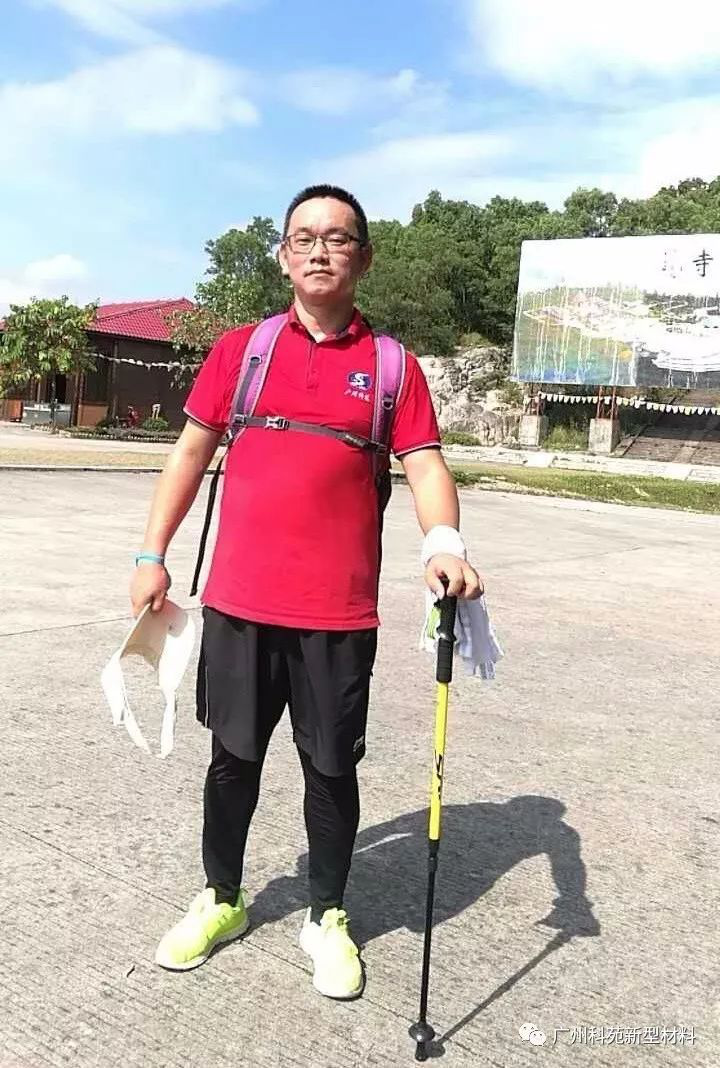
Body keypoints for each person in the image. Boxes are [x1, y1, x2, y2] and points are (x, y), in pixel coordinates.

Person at [129, 184, 483, 999]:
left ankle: (327, 915)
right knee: (232, 761)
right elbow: (189, 452)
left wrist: (444, 543)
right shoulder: (242, 351)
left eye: (338, 237)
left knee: (330, 770)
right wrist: (152, 554)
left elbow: (426, 464)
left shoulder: (391, 366)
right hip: (240, 605)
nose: (320, 249)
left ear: (365, 257)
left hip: (338, 615)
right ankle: (222, 898)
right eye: (304, 237)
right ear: (284, 255)